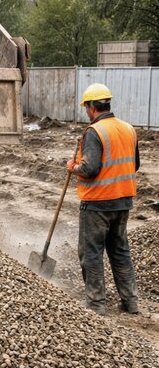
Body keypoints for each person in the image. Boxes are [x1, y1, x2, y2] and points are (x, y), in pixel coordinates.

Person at [66, 83, 140, 315]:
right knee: (120, 251)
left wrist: (73, 167)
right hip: (124, 200)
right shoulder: (128, 128)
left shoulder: (94, 132)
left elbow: (89, 169)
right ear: (107, 103)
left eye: (86, 107)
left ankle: (96, 304)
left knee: (91, 253)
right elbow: (135, 164)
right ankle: (131, 302)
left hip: (98, 203)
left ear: (90, 107)